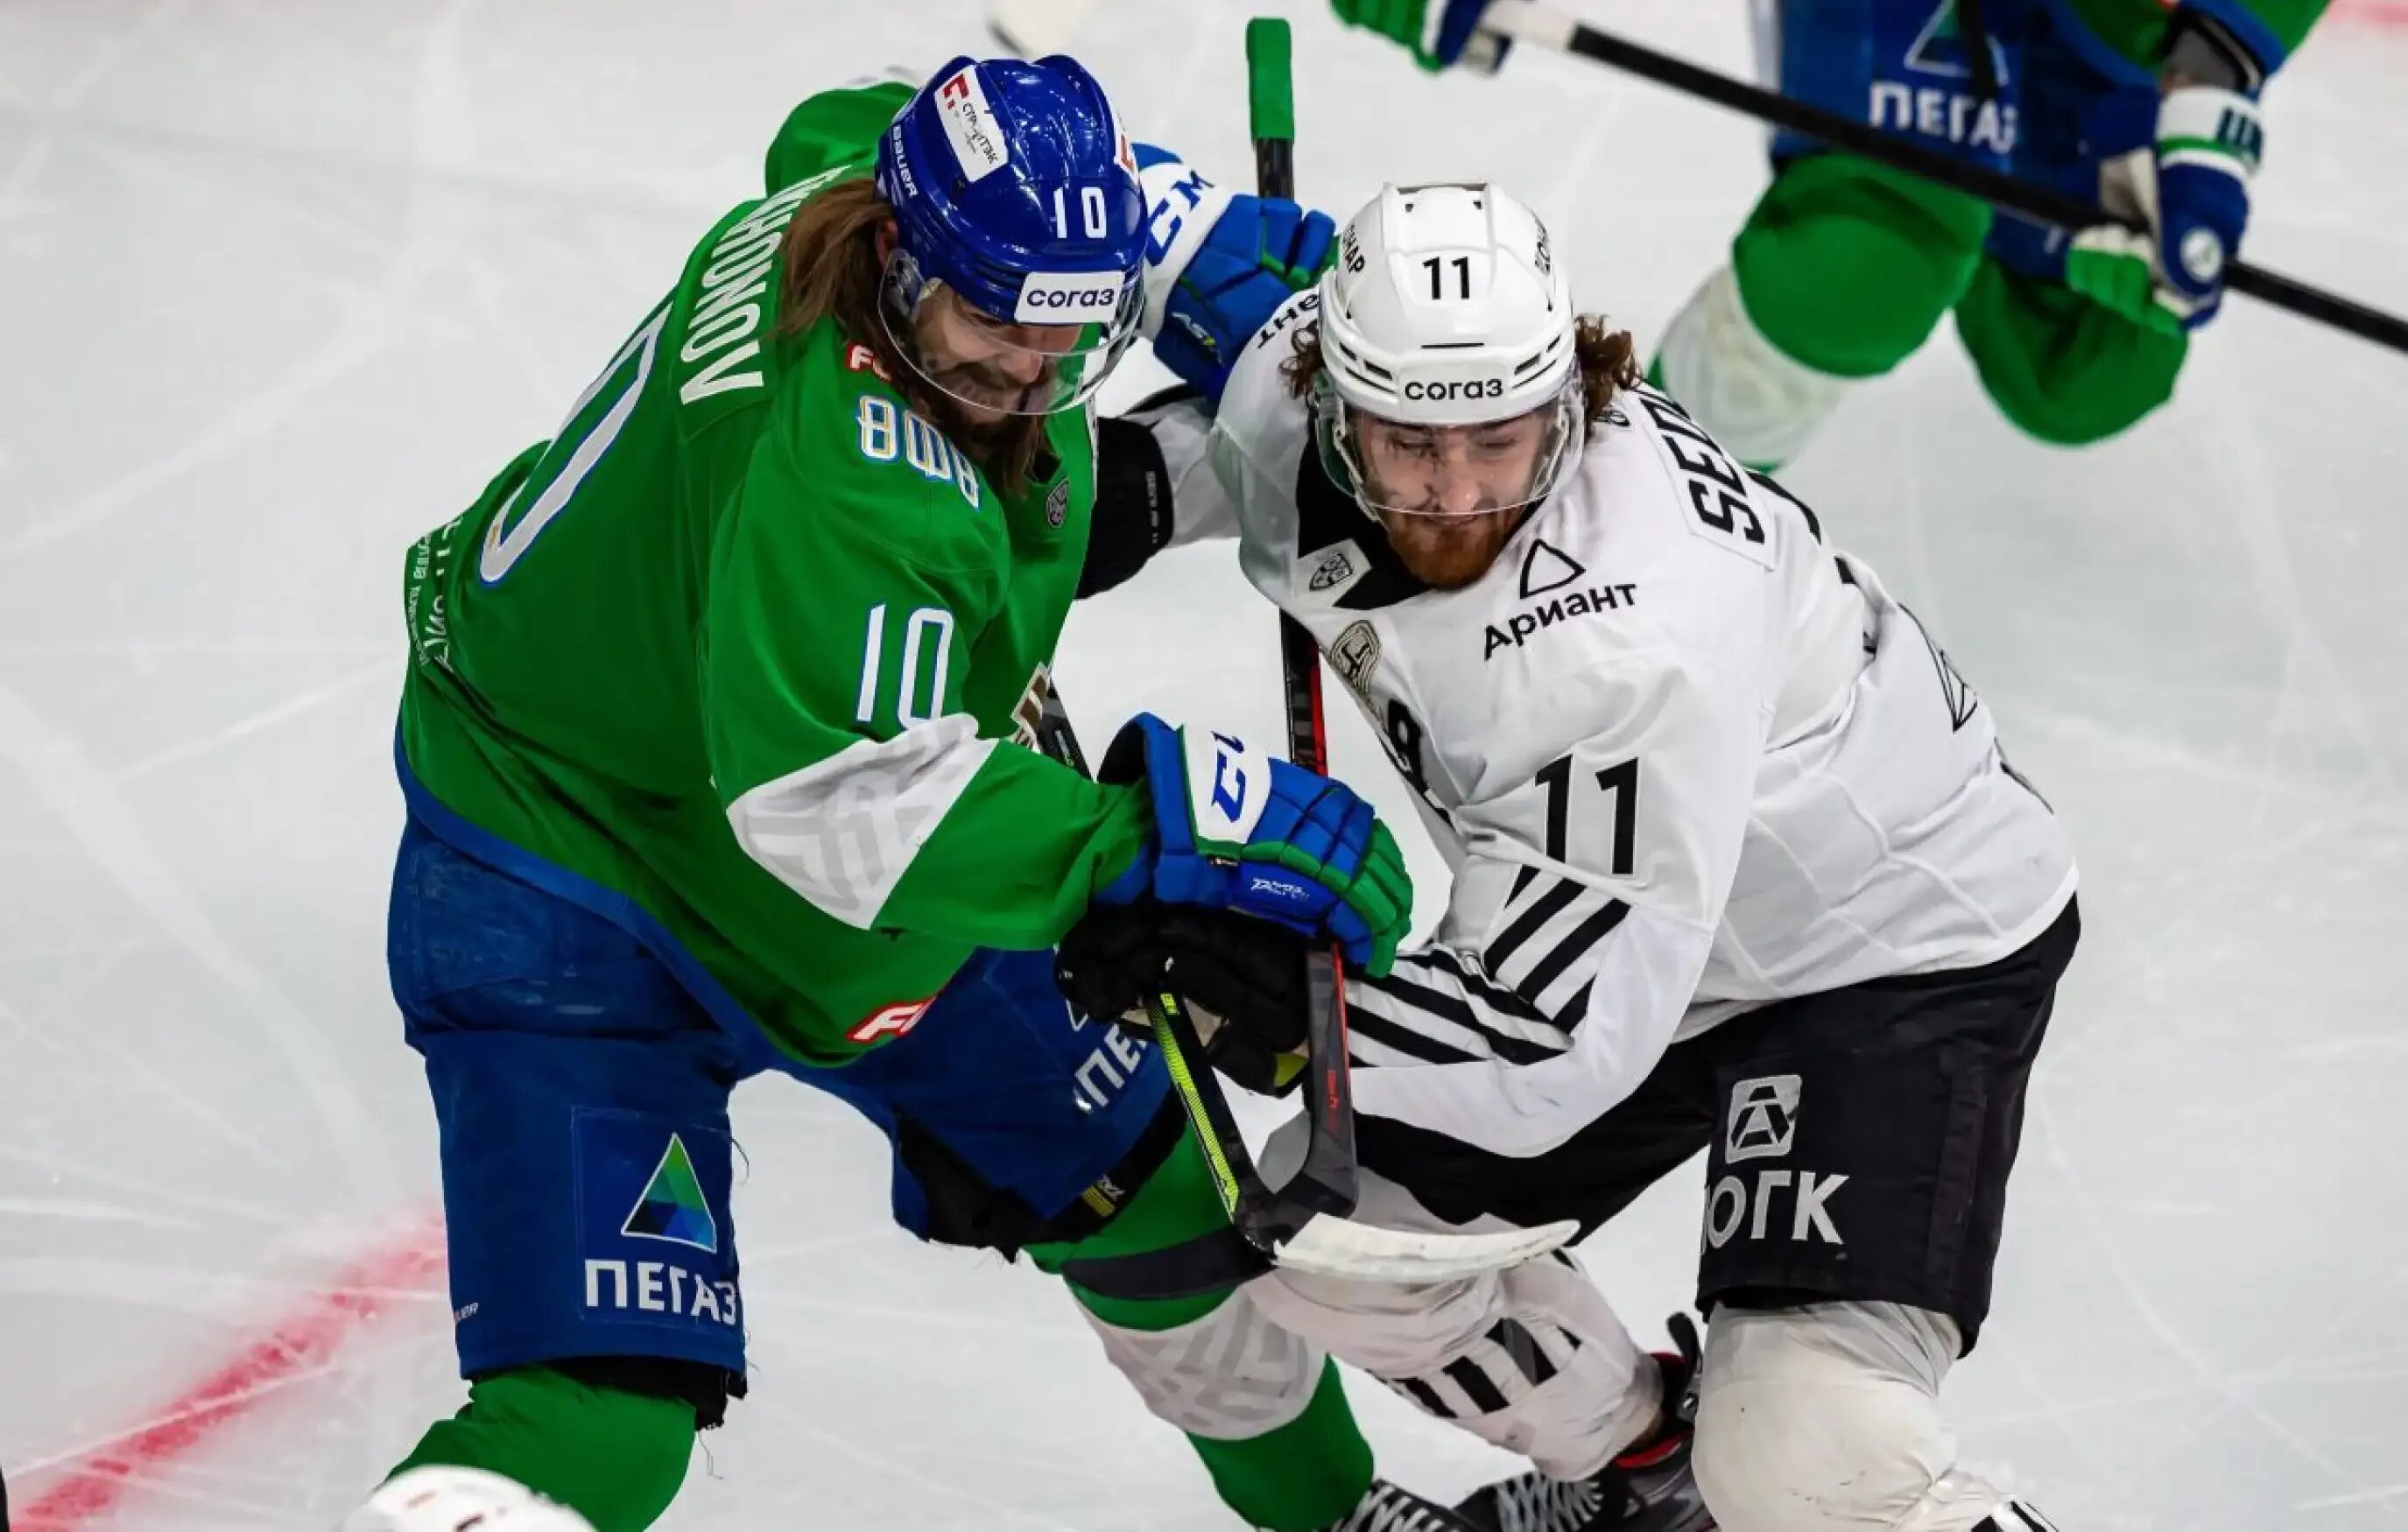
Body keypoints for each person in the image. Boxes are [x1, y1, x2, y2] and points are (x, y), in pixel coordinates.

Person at [345, 57, 1430, 1532]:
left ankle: (1337, 1515)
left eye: (1073, 328)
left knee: (1161, 1209)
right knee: (602, 1404)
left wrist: (1185, 241)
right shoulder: (854, 483)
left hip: (785, 802)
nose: (1032, 376)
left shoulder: (858, 194)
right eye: (995, 329)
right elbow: (841, 806)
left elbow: (841, 109)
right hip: (575, 872)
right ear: (908, 261)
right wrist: (1144, 852)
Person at [1065, 174, 2080, 1532]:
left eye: (1499, 439)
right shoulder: (1312, 392)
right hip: (1640, 924)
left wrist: (1277, 998)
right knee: (1347, 1253)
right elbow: (1142, 223)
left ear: (1572, 397)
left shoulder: (1621, 650)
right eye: (1407, 443)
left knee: (1802, 1456)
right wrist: (1124, 481)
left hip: (1877, 947)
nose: (1456, 494)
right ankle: (1647, 1469)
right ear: (1326, 397)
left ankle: (1745, 1475)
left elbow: (1545, 1042)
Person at [1327, 0, 2324, 467]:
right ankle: (1648, 495)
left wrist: (2209, 80)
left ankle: (1980, 213)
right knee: (1867, 263)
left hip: (2109, 22)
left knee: (2090, 364)